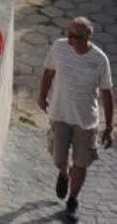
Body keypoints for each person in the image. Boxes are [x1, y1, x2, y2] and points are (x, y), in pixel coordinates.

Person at [41, 16, 114, 219]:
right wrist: (42, 96)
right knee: (58, 159)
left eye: (75, 36)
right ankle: (64, 174)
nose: (69, 38)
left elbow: (107, 93)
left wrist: (109, 127)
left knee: (81, 165)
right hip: (60, 115)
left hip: (86, 122)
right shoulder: (59, 47)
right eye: (68, 33)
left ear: (87, 37)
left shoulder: (100, 60)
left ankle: (72, 200)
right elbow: (48, 73)